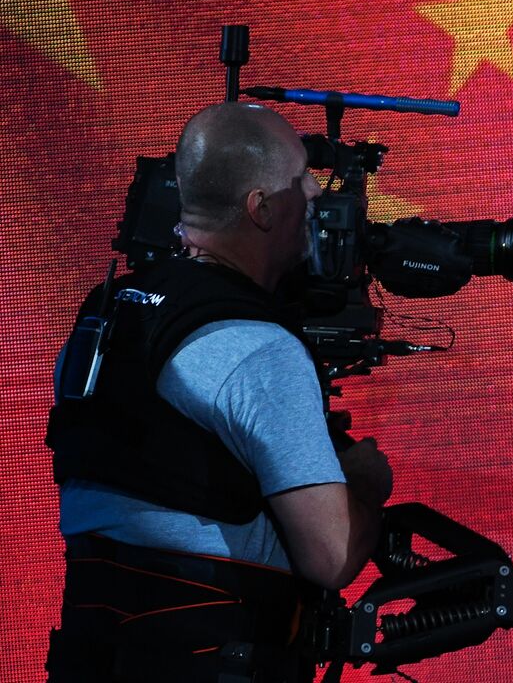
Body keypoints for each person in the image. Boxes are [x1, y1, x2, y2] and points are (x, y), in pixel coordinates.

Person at [46, 102, 393, 682]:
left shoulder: (104, 315)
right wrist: (364, 481)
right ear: (260, 208)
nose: (315, 195)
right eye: (302, 178)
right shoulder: (258, 350)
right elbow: (331, 557)